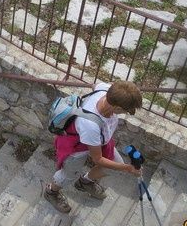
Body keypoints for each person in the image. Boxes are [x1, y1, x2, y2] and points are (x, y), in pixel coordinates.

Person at [44, 81, 143, 214]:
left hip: (99, 139)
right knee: (68, 175)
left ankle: (85, 182)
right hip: (77, 147)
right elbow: (98, 159)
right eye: (127, 110)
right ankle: (51, 191)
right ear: (117, 107)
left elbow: (94, 84)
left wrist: (124, 167)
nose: (128, 113)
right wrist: (128, 169)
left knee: (116, 164)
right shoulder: (90, 124)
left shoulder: (106, 90)